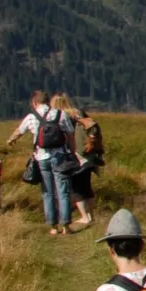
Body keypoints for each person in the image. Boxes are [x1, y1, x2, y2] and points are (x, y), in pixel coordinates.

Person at [5, 89, 76, 235]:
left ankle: (53, 227)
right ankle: (66, 226)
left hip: (41, 158)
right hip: (60, 156)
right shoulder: (60, 114)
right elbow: (70, 134)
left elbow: (19, 131)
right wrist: (72, 153)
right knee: (63, 191)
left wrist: (11, 140)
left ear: (34, 102)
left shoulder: (31, 116)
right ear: (48, 101)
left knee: (47, 192)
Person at [53, 94, 101, 229]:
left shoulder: (58, 116)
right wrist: (91, 140)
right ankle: (92, 215)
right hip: (87, 155)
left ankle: (84, 216)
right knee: (87, 186)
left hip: (73, 155)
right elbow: (93, 126)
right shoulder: (78, 113)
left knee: (75, 188)